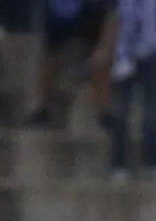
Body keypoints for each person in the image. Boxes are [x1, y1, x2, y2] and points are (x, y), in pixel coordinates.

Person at [104, 0, 156, 183]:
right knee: (120, 111)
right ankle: (118, 164)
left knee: (153, 112)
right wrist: (109, 48)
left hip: (152, 54)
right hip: (124, 55)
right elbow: (113, 18)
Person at [25, 0, 118, 128]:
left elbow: (112, 17)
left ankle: (102, 109)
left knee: (103, 57)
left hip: (94, 16)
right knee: (50, 55)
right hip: (64, 16)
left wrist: (103, 50)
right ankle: (43, 106)